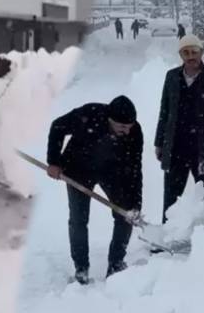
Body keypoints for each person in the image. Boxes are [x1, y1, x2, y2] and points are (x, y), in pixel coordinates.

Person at [46, 95, 143, 284]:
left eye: (129, 127)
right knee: (78, 219)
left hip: (112, 172)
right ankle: (81, 267)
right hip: (78, 169)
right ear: (109, 119)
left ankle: (115, 264)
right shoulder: (90, 114)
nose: (126, 131)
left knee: (125, 215)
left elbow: (135, 169)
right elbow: (57, 126)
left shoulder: (134, 132)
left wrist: (135, 205)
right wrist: (54, 162)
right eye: (121, 127)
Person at [154, 34, 204, 226]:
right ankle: (167, 233)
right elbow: (165, 110)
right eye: (185, 52)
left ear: (201, 53)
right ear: (181, 55)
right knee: (171, 195)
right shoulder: (171, 77)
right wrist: (159, 142)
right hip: (176, 146)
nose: (190, 56)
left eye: (194, 52)